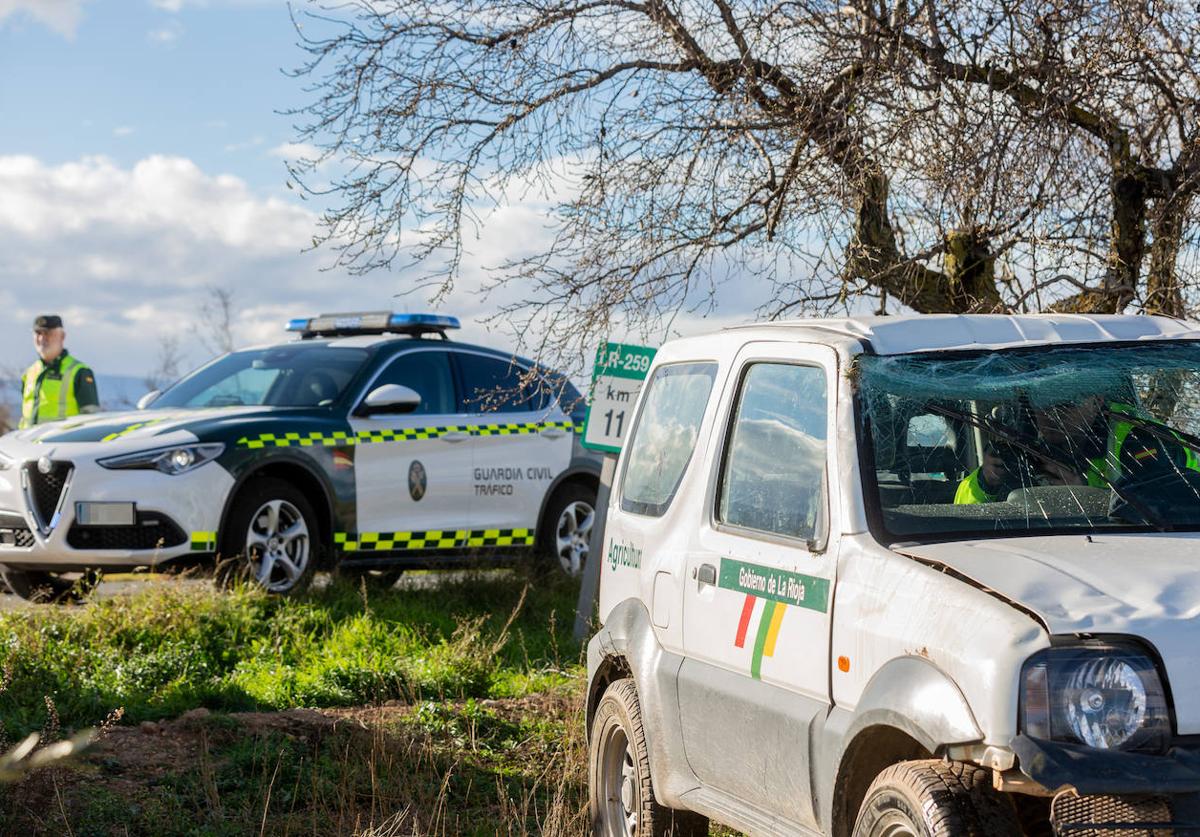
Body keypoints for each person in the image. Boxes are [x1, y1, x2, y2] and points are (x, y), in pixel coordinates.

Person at [954, 394, 1200, 504]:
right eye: (1043, 403)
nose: (1053, 415)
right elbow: (959, 522)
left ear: (1097, 401)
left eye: (1067, 404)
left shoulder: (1141, 441)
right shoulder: (1019, 442)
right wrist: (987, 482)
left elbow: (1164, 520)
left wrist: (1082, 495)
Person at [18, 315, 100, 428]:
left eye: (48, 333)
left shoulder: (79, 372)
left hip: (63, 444)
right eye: (38, 333)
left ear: (62, 336)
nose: (42, 338)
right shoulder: (29, 373)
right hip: (28, 443)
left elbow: (92, 419)